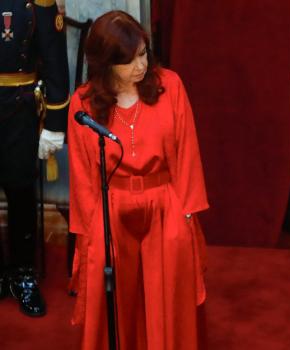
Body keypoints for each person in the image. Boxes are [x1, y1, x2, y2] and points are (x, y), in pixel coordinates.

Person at [67, 10, 208, 350]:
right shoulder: (82, 103)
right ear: (105, 63)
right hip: (110, 207)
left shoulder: (169, 86)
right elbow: (84, 177)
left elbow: (187, 154)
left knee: (170, 290)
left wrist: (186, 216)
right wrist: (89, 235)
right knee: (110, 290)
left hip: (165, 202)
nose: (141, 66)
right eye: (129, 60)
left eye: (143, 54)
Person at [0, 0, 69, 316]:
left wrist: (55, 123)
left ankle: (22, 273)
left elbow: (54, 59)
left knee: (20, 188)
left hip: (19, 107)